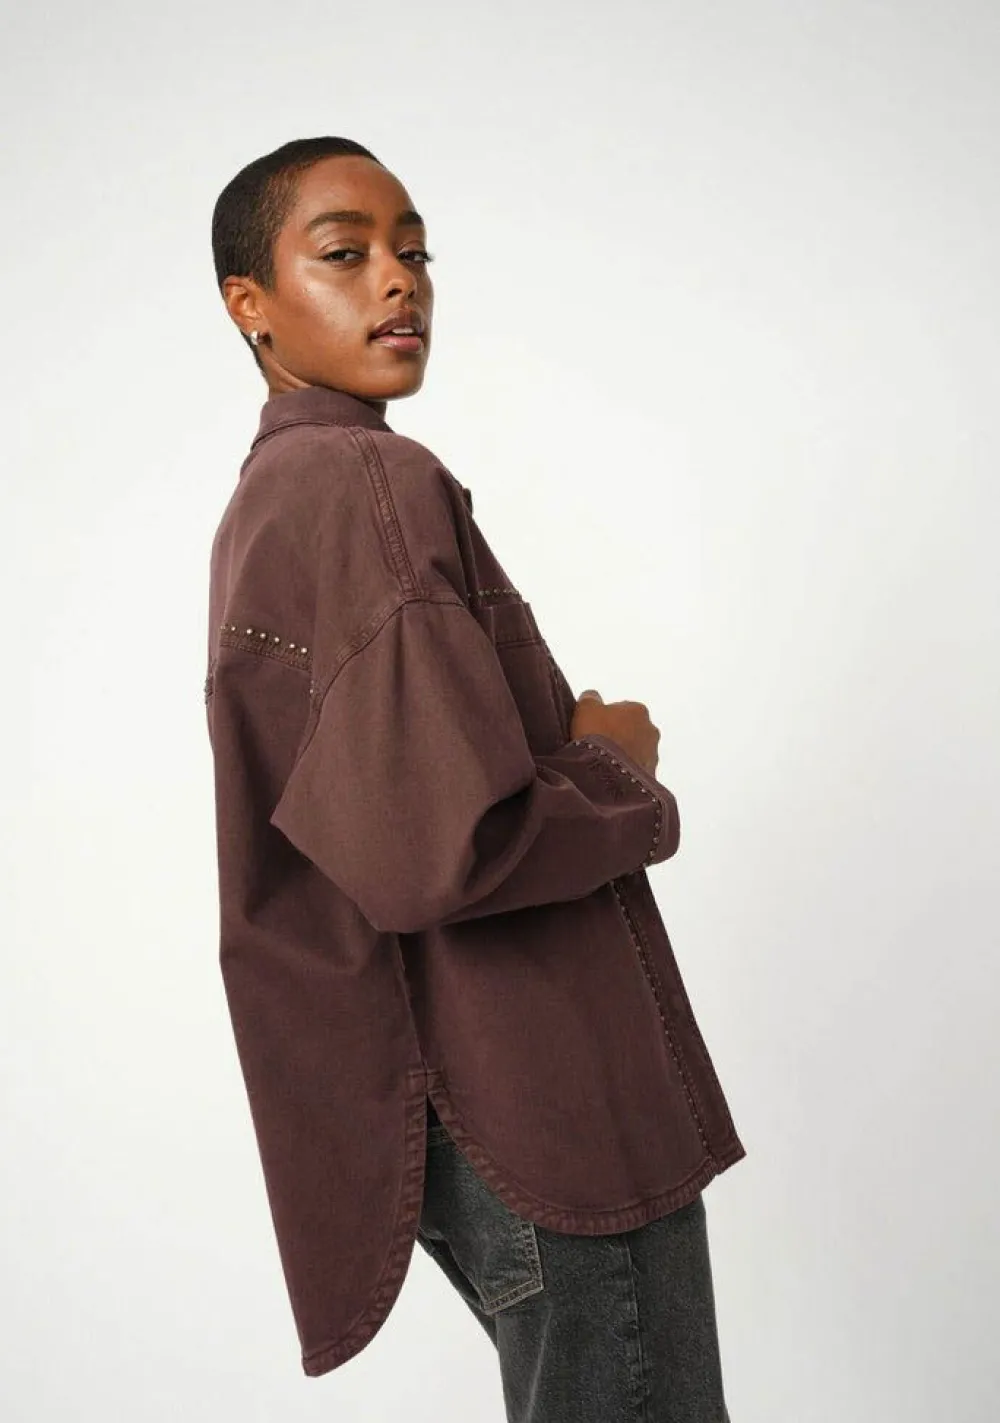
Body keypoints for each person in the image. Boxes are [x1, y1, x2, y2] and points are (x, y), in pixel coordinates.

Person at [206, 135, 745, 1421]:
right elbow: (436, 849)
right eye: (344, 255)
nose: (399, 280)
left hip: (456, 1100)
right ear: (250, 304)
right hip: (535, 1089)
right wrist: (615, 768)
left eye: (414, 251)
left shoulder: (275, 497)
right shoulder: (367, 481)